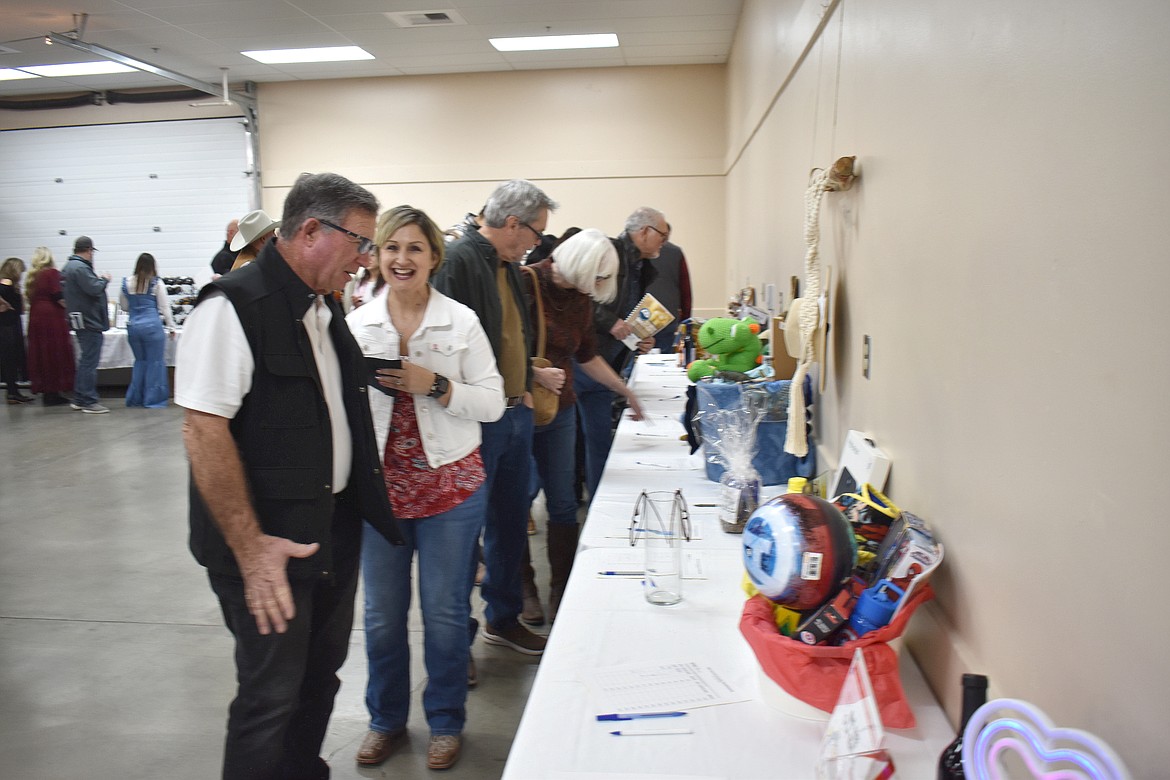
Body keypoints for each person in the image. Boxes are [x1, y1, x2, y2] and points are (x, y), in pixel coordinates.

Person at [175, 172, 402, 780]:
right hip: (267, 548)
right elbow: (203, 431)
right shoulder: (233, 307)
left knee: (318, 680)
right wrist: (250, 552)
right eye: (359, 242)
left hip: (329, 532)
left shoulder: (324, 308)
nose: (365, 259)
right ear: (309, 231)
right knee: (270, 694)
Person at [347, 205, 504, 771]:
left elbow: (491, 400)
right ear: (377, 255)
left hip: (450, 493)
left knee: (442, 613)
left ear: (434, 257)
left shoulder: (460, 322)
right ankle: (385, 720)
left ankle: (445, 721)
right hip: (380, 496)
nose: (401, 259)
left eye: (414, 248)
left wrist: (435, 384)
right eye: (391, 248)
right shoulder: (358, 324)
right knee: (382, 617)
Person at [431, 179, 560, 657]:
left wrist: (525, 382)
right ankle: (454, 642)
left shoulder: (508, 267)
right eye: (535, 233)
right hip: (474, 421)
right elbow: (445, 347)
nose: (537, 244)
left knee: (508, 523)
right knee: (464, 532)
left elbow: (508, 338)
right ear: (512, 224)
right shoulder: (459, 263)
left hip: (513, 415)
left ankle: (502, 619)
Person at [521, 229, 646, 622]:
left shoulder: (581, 299)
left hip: (561, 409)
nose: (595, 289)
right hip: (519, 408)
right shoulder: (524, 282)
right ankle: (523, 588)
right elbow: (497, 349)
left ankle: (561, 586)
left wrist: (624, 390)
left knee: (561, 501)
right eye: (595, 279)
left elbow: (587, 355)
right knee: (517, 500)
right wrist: (535, 376)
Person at [573, 207, 666, 500]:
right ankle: (570, 501)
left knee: (599, 441)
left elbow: (626, 315)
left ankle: (600, 502)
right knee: (568, 441)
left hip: (608, 365)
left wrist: (638, 338)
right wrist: (610, 322)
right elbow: (581, 298)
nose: (664, 241)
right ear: (644, 232)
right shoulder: (608, 252)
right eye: (662, 234)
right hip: (581, 361)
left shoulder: (641, 267)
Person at [120, 252, 176, 408]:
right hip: (152, 327)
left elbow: (124, 306)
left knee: (140, 362)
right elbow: (164, 307)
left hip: (133, 327)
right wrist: (171, 326)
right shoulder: (156, 283)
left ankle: (136, 398)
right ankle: (153, 399)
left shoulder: (126, 282)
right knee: (155, 362)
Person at [62, 235, 111, 414]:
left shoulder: (68, 267)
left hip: (78, 319)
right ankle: (89, 400)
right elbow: (94, 288)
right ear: (89, 250)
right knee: (89, 362)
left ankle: (79, 398)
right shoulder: (80, 268)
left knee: (85, 361)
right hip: (89, 320)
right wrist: (104, 279)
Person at [24, 247, 75, 406]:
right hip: (51, 317)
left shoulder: (32, 276)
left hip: (36, 316)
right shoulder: (51, 273)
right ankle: (55, 390)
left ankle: (47, 390)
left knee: (41, 353)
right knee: (55, 352)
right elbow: (58, 296)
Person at [646, 234, 693, 352]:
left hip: (641, 317)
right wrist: (685, 321)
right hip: (667, 317)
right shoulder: (676, 253)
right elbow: (685, 290)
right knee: (666, 359)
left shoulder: (639, 251)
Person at [0, 257, 35, 404]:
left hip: (10, 324)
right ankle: (12, 393)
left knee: (10, 360)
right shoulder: (6, 284)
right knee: (10, 360)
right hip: (8, 326)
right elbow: (19, 307)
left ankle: (13, 392)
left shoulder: (8, 284)